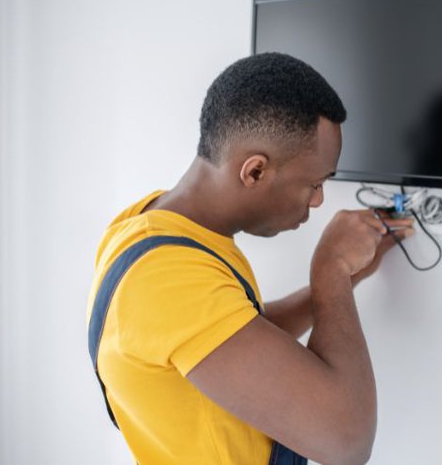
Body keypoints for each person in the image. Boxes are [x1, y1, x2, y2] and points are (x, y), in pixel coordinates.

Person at [86, 52, 414, 465]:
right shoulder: (166, 277)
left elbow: (235, 334)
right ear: (255, 171)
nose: (319, 200)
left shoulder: (149, 223)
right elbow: (347, 442)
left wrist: (342, 280)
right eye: (313, 183)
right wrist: (329, 268)